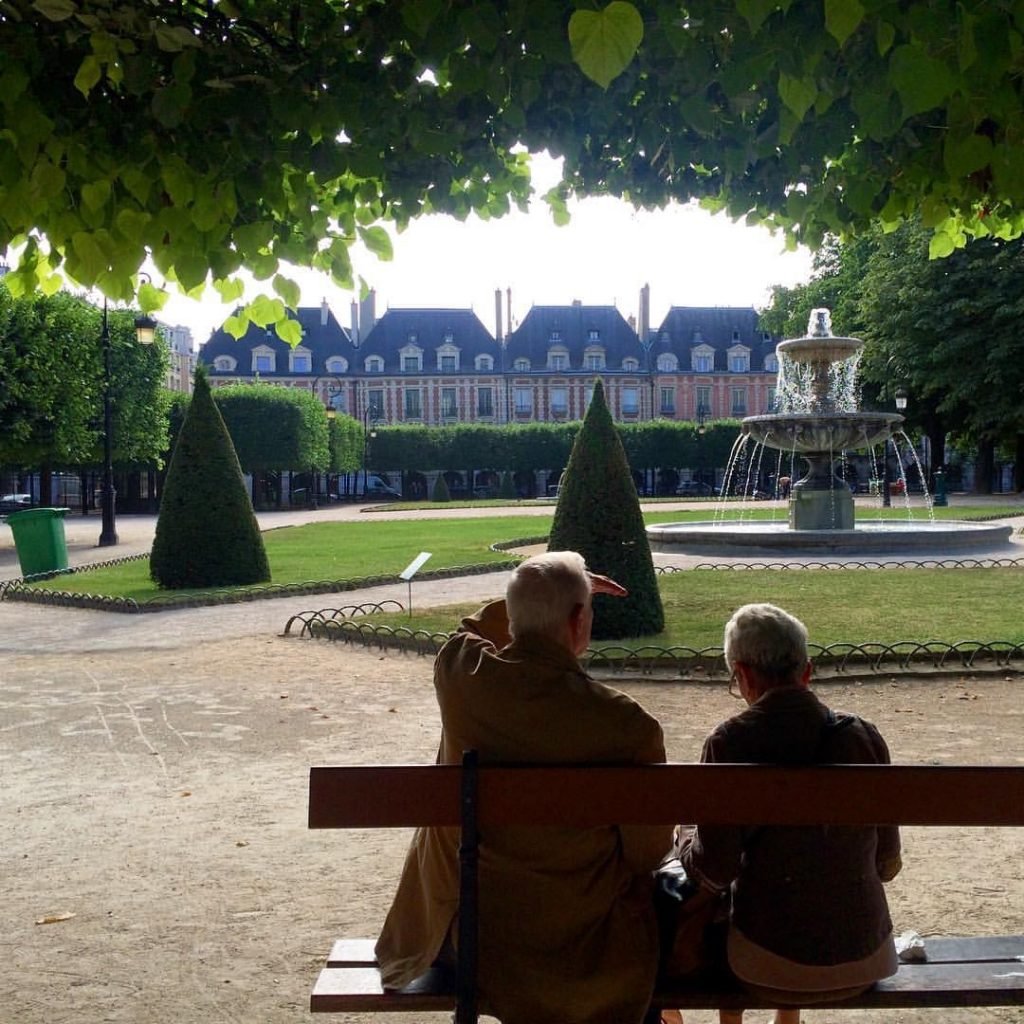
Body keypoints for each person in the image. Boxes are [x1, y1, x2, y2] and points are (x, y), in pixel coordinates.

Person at [375, 551, 671, 1024]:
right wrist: (568, 593)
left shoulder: (460, 675)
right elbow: (647, 853)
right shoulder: (626, 723)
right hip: (592, 948)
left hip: (477, 940)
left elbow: (468, 631)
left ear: (515, 618)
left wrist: (533, 596)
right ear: (579, 620)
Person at [675, 603, 902, 1024]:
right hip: (865, 958)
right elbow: (886, 865)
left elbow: (712, 872)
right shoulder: (864, 737)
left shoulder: (730, 744)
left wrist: (686, 831)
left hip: (766, 964)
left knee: (727, 903)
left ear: (742, 675)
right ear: (807, 671)